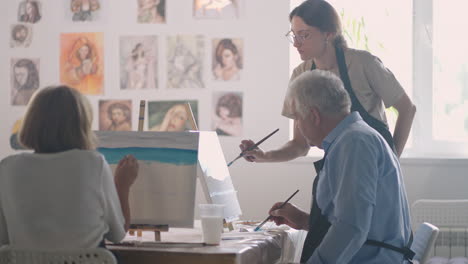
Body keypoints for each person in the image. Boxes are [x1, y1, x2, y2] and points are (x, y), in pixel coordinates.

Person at [240, 0, 416, 161]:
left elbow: (407, 109)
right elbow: (301, 145)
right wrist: (263, 156)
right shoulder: (300, 75)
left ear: (329, 33)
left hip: (376, 163)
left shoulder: (363, 63)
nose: (296, 43)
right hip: (338, 167)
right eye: (294, 35)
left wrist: (392, 159)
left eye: (304, 35)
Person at [268, 70, 413, 263]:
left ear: (314, 116)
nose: (298, 127)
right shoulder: (353, 137)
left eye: (297, 118)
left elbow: (351, 227)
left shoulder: (354, 143)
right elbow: (355, 220)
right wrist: (304, 220)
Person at [0, 85, 138, 249]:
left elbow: (4, 238)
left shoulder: (7, 168)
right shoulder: (93, 164)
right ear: (81, 125)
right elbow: (118, 234)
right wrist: (122, 186)